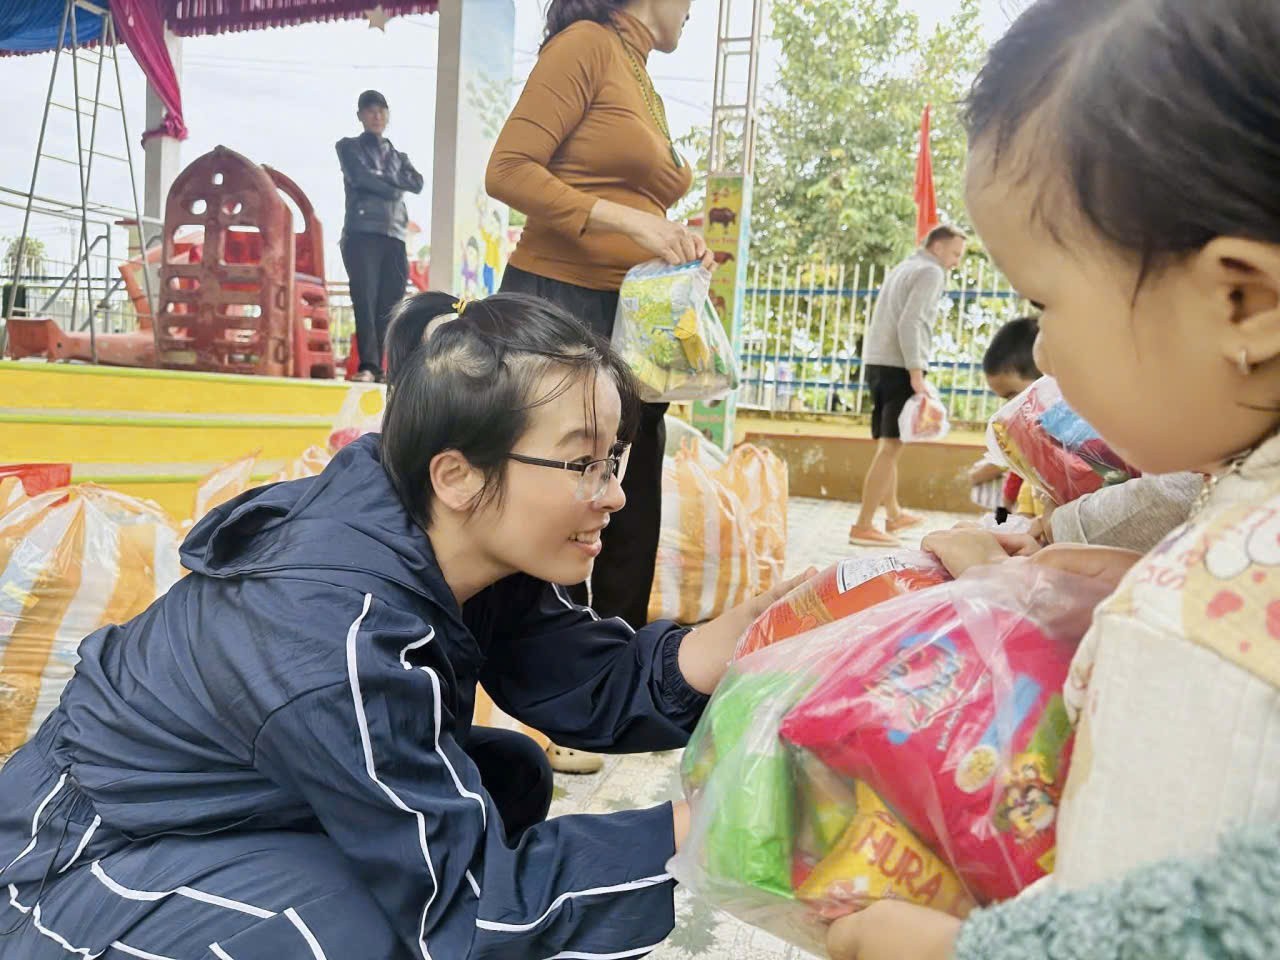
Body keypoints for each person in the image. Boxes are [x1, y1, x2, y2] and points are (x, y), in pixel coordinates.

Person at [0, 292, 804, 959]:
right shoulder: (330, 634)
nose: (613, 495)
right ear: (457, 473)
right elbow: (469, 902)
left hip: (221, 814)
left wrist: (780, 627)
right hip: (69, 862)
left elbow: (598, 682)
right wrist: (709, 828)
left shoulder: (449, 534)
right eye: (581, 462)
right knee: (339, 932)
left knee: (508, 776)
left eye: (614, 459)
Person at [824, 0, 1280, 956]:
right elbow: (1194, 492)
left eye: (1044, 302)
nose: (1046, 349)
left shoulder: (1193, 633)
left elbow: (1127, 927)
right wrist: (1054, 544)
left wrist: (930, 945)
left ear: (1244, 301)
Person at [486, 0, 713, 773]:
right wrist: (629, 220)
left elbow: (641, 209)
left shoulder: (641, 73)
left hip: (631, 315)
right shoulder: (584, 45)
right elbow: (507, 169)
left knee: (625, 499)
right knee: (547, 495)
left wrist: (667, 238)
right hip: (560, 303)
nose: (693, 8)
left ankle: (602, 694)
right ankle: (521, 707)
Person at [850, 224, 968, 547]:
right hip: (899, 366)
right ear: (938, 247)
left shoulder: (904, 266)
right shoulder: (931, 273)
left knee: (890, 442)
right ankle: (863, 525)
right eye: (955, 253)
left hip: (878, 362)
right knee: (891, 448)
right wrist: (917, 373)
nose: (956, 262)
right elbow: (912, 322)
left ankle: (893, 513)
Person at [336, 89, 424, 382]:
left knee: (391, 303)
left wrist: (382, 179)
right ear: (360, 115)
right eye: (370, 110)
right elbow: (359, 178)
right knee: (365, 298)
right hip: (362, 232)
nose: (376, 116)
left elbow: (417, 183)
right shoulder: (348, 147)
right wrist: (393, 185)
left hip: (395, 235)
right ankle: (369, 366)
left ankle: (387, 367)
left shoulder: (399, 156)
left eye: (381, 111)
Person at [968, 316, 1041, 518]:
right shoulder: (1022, 428)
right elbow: (1016, 476)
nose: (1010, 407)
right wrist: (1004, 514)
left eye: (1013, 395)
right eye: (1005, 400)